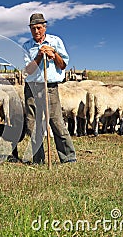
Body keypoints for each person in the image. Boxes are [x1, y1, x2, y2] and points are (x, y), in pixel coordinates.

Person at [21, 13, 77, 165]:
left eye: (39, 27)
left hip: (50, 87)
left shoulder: (55, 41)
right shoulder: (26, 46)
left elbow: (63, 64)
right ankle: (38, 159)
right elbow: (28, 70)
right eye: (33, 28)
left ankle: (68, 158)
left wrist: (54, 53)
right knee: (33, 124)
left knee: (56, 122)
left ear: (44, 27)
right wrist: (39, 56)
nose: (36, 31)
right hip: (32, 88)